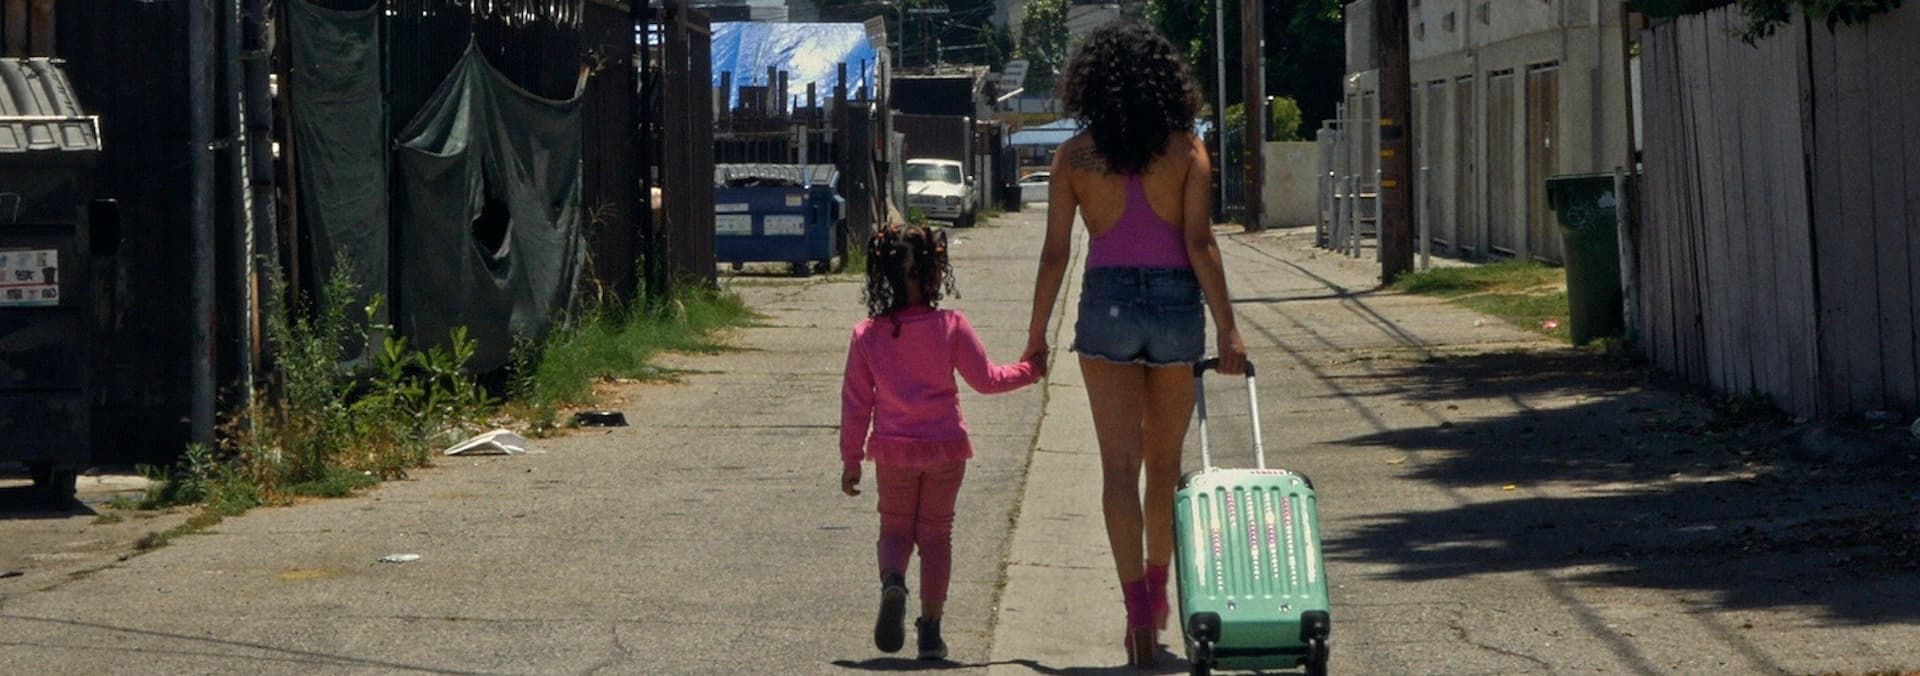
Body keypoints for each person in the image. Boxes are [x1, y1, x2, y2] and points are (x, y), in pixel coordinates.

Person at [1021, 20, 1247, 668]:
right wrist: (1228, 328)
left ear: (1089, 83)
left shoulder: (1074, 157)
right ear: (1164, 81)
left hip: (1108, 306)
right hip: (1176, 306)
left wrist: (1036, 335)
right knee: (1165, 464)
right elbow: (1200, 243)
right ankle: (1157, 587)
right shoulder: (1188, 150)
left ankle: (1136, 613)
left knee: (1118, 467)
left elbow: (1056, 253)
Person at [841, 224, 1048, 660]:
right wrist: (1031, 369)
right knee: (936, 536)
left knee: (894, 528)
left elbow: (857, 403)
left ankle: (893, 580)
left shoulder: (867, 335)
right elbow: (988, 381)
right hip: (945, 448)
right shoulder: (951, 326)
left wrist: (851, 459)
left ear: (883, 277)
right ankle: (931, 632)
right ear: (936, 272)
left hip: (893, 449)